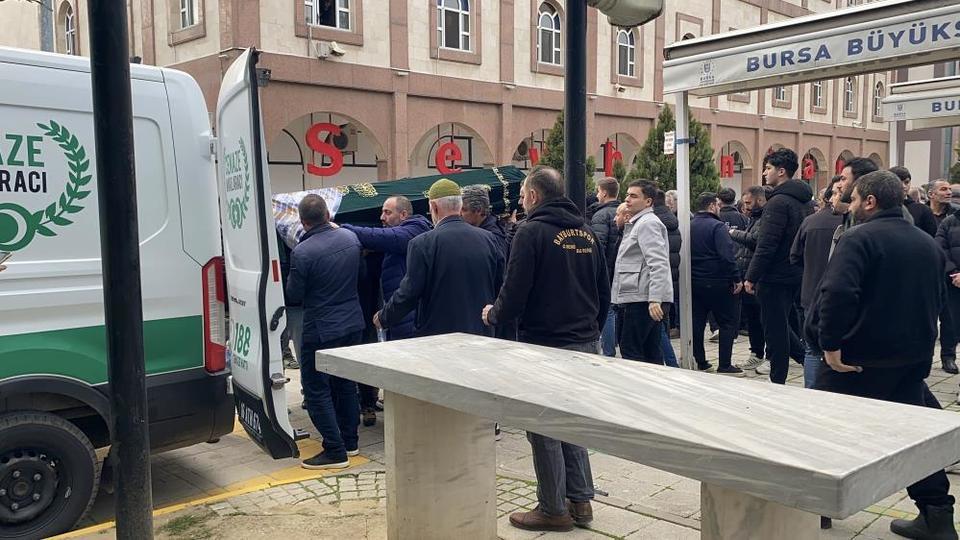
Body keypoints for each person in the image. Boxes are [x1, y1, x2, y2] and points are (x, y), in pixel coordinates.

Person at [807, 171, 956, 540]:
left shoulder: (859, 238)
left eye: (855, 198)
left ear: (870, 201)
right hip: (908, 360)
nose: (851, 205)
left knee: (824, 434)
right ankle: (937, 514)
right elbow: (938, 300)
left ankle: (815, 509)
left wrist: (830, 345)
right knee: (914, 440)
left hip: (856, 361)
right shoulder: (926, 243)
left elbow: (838, 293)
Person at [481, 166, 609, 533]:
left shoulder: (530, 231)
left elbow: (515, 290)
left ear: (534, 196)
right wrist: (591, 329)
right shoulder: (586, 232)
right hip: (585, 340)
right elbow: (603, 290)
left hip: (546, 344)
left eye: (522, 195)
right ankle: (580, 500)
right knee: (573, 421)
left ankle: (553, 508)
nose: (521, 202)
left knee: (544, 426)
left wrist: (494, 315)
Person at [286, 195, 364, 470]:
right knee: (346, 384)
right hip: (352, 323)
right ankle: (350, 442)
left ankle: (334, 450)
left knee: (316, 389)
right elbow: (361, 276)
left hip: (320, 328)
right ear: (328, 215)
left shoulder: (302, 252)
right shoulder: (350, 239)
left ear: (303, 222)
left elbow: (294, 295)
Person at [341, 195, 431, 425]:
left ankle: (413, 421)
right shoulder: (396, 237)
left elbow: (382, 237)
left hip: (408, 319)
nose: (382, 217)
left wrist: (342, 228)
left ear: (404, 214)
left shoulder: (414, 230)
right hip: (393, 319)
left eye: (387, 212)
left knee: (409, 373)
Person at [375, 179, 503, 338]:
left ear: (434, 207)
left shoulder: (422, 243)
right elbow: (499, 285)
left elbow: (409, 293)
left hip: (438, 337)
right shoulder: (489, 239)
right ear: (460, 206)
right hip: (480, 333)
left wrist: (384, 317)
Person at [744, 148, 813, 384]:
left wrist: (751, 276)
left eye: (768, 168)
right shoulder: (805, 201)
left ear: (781, 171)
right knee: (782, 325)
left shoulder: (778, 202)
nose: (764, 173)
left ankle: (778, 381)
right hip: (795, 272)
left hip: (775, 276)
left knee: (774, 332)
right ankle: (807, 361)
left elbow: (766, 245)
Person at [790, 176, 843, 388]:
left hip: (811, 292)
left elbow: (794, 257)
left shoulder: (810, 221)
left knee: (812, 348)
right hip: (841, 295)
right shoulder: (855, 224)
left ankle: (811, 392)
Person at [612, 181, 673, 364]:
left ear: (648, 202)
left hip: (641, 298)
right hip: (638, 295)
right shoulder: (640, 222)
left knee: (632, 351)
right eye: (627, 195)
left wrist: (655, 298)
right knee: (649, 351)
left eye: (633, 196)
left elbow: (658, 262)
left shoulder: (647, 224)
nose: (627, 199)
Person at [690, 192, 743, 375]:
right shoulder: (717, 227)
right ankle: (725, 365)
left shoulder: (689, 225)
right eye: (718, 205)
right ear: (712, 206)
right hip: (718, 281)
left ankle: (701, 361)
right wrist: (736, 278)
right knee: (727, 323)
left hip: (695, 281)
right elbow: (726, 255)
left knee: (697, 323)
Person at [731, 185, 767, 372]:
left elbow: (755, 240)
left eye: (748, 203)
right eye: (743, 203)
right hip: (747, 274)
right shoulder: (752, 219)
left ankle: (769, 355)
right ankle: (756, 353)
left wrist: (733, 233)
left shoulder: (764, 219)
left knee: (762, 319)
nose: (745, 207)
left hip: (758, 277)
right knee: (753, 318)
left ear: (760, 200)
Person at [589, 177, 622, 357]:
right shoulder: (622, 212)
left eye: (598, 191)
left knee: (607, 308)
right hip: (618, 267)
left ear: (603, 192)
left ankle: (608, 351)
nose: (596, 195)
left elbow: (598, 246)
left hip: (606, 269)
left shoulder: (600, 215)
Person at [651, 190, 681, 366]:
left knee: (658, 327)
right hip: (671, 276)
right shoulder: (673, 221)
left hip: (656, 281)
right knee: (663, 324)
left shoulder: (652, 223)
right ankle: (670, 363)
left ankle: (671, 364)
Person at [935, 203, 960, 376]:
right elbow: (940, 249)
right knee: (950, 320)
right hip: (953, 281)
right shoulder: (949, 222)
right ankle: (948, 356)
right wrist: (954, 273)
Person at [461, 184, 509, 260]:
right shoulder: (482, 229)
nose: (459, 214)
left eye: (464, 210)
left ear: (478, 210)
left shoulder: (493, 238)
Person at [891, 166, 938, 237]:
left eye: (906, 182)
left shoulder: (923, 210)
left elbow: (931, 237)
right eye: (898, 182)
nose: (903, 186)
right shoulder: (881, 207)